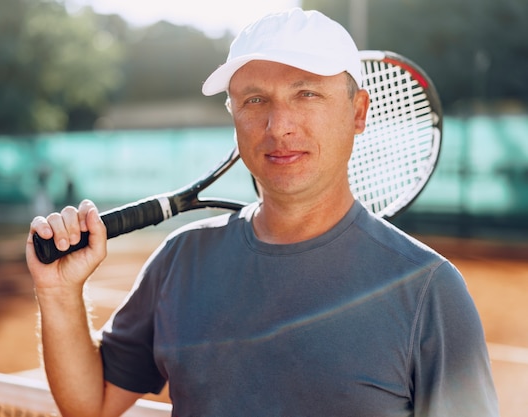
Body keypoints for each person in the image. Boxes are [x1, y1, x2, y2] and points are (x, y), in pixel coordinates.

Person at [26, 8, 499, 417]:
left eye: (306, 93)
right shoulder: (179, 261)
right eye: (255, 100)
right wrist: (59, 291)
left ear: (358, 113)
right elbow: (91, 404)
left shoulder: (429, 291)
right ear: (233, 115)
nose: (278, 125)